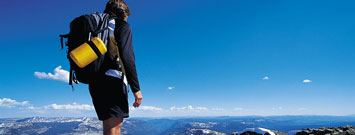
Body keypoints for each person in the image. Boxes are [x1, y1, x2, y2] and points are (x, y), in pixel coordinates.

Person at [88, 0, 142, 135]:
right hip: (113, 80)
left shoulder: (97, 28)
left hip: (95, 80)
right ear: (123, 13)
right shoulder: (121, 25)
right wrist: (136, 89)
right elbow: (127, 56)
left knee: (108, 126)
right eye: (127, 15)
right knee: (114, 127)